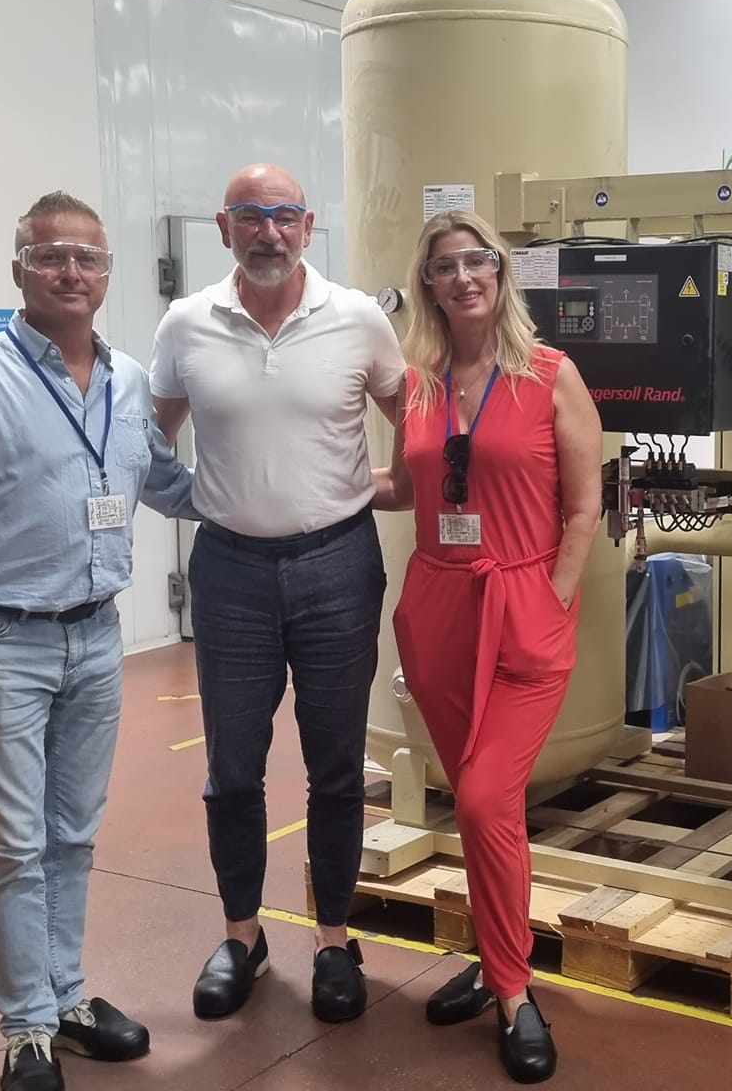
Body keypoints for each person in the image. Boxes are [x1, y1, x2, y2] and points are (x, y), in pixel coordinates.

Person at [0, 191, 199, 1091]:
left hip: (95, 640)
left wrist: (287, 490)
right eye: (51, 256)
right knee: (14, 845)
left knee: (72, 835)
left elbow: (168, 486)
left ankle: (65, 997)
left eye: (87, 258)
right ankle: (26, 1025)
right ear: (19, 270)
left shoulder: (128, 381)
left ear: (108, 274)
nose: (71, 272)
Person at [148, 163, 405, 1024]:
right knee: (232, 770)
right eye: (251, 216)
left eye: (284, 216)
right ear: (224, 228)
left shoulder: (358, 319)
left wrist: (384, 489)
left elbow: (422, 425)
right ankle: (242, 938)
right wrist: (202, 501)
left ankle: (334, 941)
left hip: (338, 566)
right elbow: (149, 439)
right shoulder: (187, 324)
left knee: (336, 767)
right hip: (230, 575)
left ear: (308, 226)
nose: (269, 232)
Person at [372, 210, 604, 1084]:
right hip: (438, 608)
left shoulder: (550, 374)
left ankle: (512, 989)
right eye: (445, 266)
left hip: (521, 607)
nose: (463, 277)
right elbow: (411, 486)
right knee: (480, 807)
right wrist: (310, 482)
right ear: (428, 284)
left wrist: (553, 596)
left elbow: (584, 506)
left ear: (501, 274)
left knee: (481, 798)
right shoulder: (420, 384)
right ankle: (495, 958)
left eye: (478, 261)